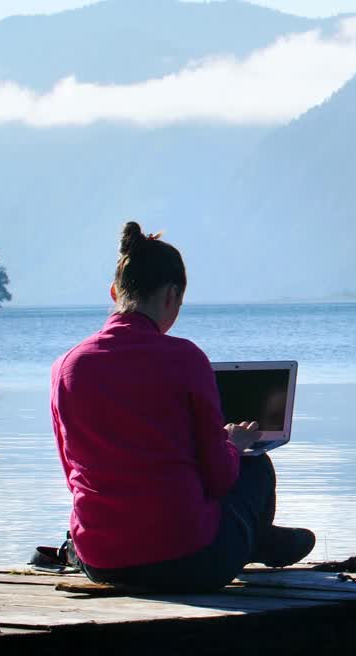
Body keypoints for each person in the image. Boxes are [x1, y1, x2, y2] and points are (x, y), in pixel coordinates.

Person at [50, 221, 314, 592]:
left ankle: (253, 539)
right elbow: (220, 477)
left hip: (101, 560)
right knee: (255, 468)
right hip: (190, 561)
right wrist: (233, 446)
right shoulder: (185, 359)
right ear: (172, 295)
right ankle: (253, 540)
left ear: (114, 292)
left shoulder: (65, 366)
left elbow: (72, 472)